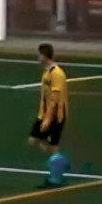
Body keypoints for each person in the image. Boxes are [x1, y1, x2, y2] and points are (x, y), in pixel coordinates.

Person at [29, 43, 70, 187]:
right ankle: (60, 162)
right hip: (45, 114)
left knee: (52, 145)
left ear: (44, 56)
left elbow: (55, 98)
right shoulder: (47, 72)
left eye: (39, 55)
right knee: (34, 141)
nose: (38, 58)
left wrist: (47, 118)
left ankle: (55, 177)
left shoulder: (56, 74)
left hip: (54, 116)